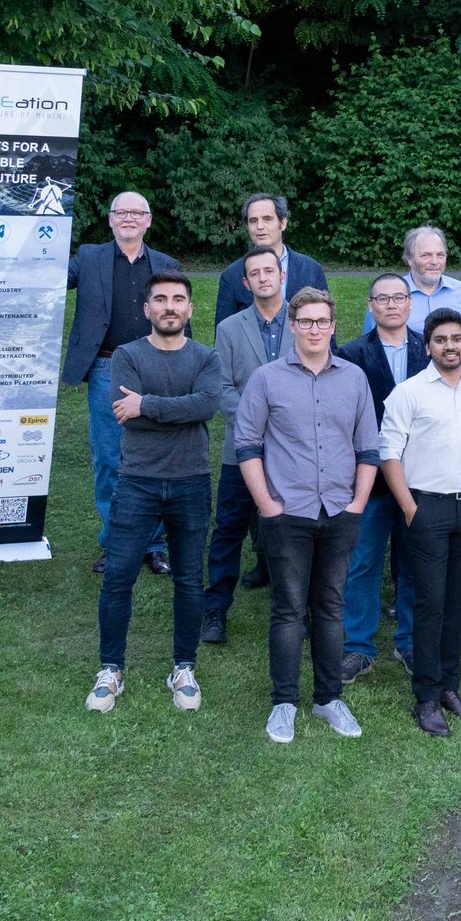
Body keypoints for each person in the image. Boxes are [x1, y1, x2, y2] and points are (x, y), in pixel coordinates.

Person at [234, 287, 380, 744]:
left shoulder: (355, 378)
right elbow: (247, 446)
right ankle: (283, 704)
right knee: (288, 609)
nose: (315, 329)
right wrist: (266, 506)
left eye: (322, 321)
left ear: (333, 327)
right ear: (293, 326)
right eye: (306, 322)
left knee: (331, 607)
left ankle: (328, 698)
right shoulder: (267, 379)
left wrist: (357, 504)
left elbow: (369, 448)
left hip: (339, 509)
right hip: (286, 511)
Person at [84, 273, 220, 715]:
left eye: (178, 299)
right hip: (137, 481)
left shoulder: (205, 356)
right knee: (119, 577)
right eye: (160, 299)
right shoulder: (126, 354)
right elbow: (127, 415)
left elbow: (207, 406)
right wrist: (166, 408)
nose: (169, 306)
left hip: (191, 481)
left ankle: (183, 667)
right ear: (147, 309)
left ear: (190, 309)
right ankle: (110, 670)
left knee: (188, 579)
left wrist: (150, 403)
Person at [379, 309, 461, 737]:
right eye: (440, 340)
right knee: (430, 604)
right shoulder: (408, 392)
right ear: (428, 346)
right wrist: (409, 507)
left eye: (456, 338)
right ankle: (427, 697)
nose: (449, 346)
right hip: (426, 510)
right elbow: (389, 454)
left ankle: (451, 688)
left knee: (458, 603)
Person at [64, 191, 180, 576]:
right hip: (106, 368)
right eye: (121, 212)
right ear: (110, 219)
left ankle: (155, 545)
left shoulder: (165, 263)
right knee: (110, 459)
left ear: (148, 221)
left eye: (137, 212)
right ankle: (117, 543)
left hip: (155, 364)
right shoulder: (89, 258)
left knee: (155, 456)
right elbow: (47, 279)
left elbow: (177, 316)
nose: (129, 218)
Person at [334, 274, 428, 682]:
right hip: (368, 477)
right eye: (382, 299)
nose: (392, 305)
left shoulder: (431, 347)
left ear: (410, 304)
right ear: (370, 307)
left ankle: (407, 641)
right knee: (362, 562)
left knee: (414, 563)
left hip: (421, 475)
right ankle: (358, 647)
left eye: (399, 297)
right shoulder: (351, 353)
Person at [203, 247, 291, 644]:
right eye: (254, 273)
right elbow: (220, 386)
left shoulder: (306, 321)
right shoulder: (230, 328)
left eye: (268, 270)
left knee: (292, 529)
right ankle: (215, 609)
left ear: (281, 275)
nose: (262, 278)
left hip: (294, 450)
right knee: (228, 529)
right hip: (242, 447)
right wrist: (255, 422)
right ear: (246, 283)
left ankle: (294, 607)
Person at [213, 193, 330, 328]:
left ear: (283, 223)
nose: (260, 226)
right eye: (253, 221)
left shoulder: (310, 269)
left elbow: (325, 324)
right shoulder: (232, 275)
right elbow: (224, 334)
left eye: (267, 219)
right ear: (247, 227)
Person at [374, 225, 461, 337]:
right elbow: (371, 344)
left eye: (440, 255)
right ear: (409, 259)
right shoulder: (386, 295)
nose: (435, 262)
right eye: (426, 255)